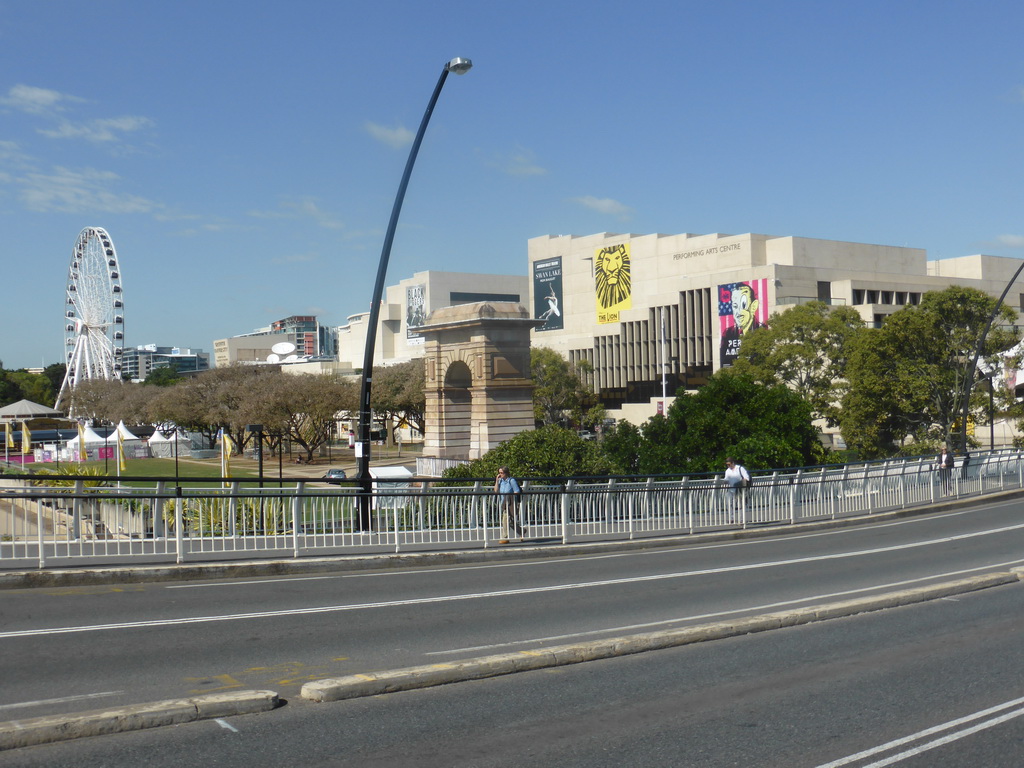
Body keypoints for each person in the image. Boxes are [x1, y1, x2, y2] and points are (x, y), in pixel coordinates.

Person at [494, 466, 524, 543]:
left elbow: (516, 491)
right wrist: (497, 481)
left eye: (502, 473)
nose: (500, 474)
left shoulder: (511, 480)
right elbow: (496, 491)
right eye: (499, 473)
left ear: (506, 473)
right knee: (510, 521)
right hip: (503, 503)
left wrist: (511, 498)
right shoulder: (501, 481)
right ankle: (521, 531)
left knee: (505, 518)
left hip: (511, 502)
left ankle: (505, 537)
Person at [723, 457, 750, 522]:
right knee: (729, 503)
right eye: (727, 464)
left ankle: (741, 519)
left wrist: (740, 483)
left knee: (740, 504)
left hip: (739, 490)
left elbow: (746, 478)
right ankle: (731, 518)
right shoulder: (727, 471)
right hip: (730, 489)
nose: (728, 466)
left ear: (733, 463)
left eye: (729, 464)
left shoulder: (740, 468)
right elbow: (726, 479)